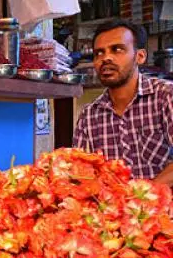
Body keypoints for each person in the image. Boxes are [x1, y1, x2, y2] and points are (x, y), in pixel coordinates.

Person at [73, 19, 173, 184]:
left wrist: (142, 196)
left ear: (140, 56)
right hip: (111, 207)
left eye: (117, 50)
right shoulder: (89, 116)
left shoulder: (166, 96)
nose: (106, 58)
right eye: (99, 53)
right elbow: (80, 173)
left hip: (164, 206)